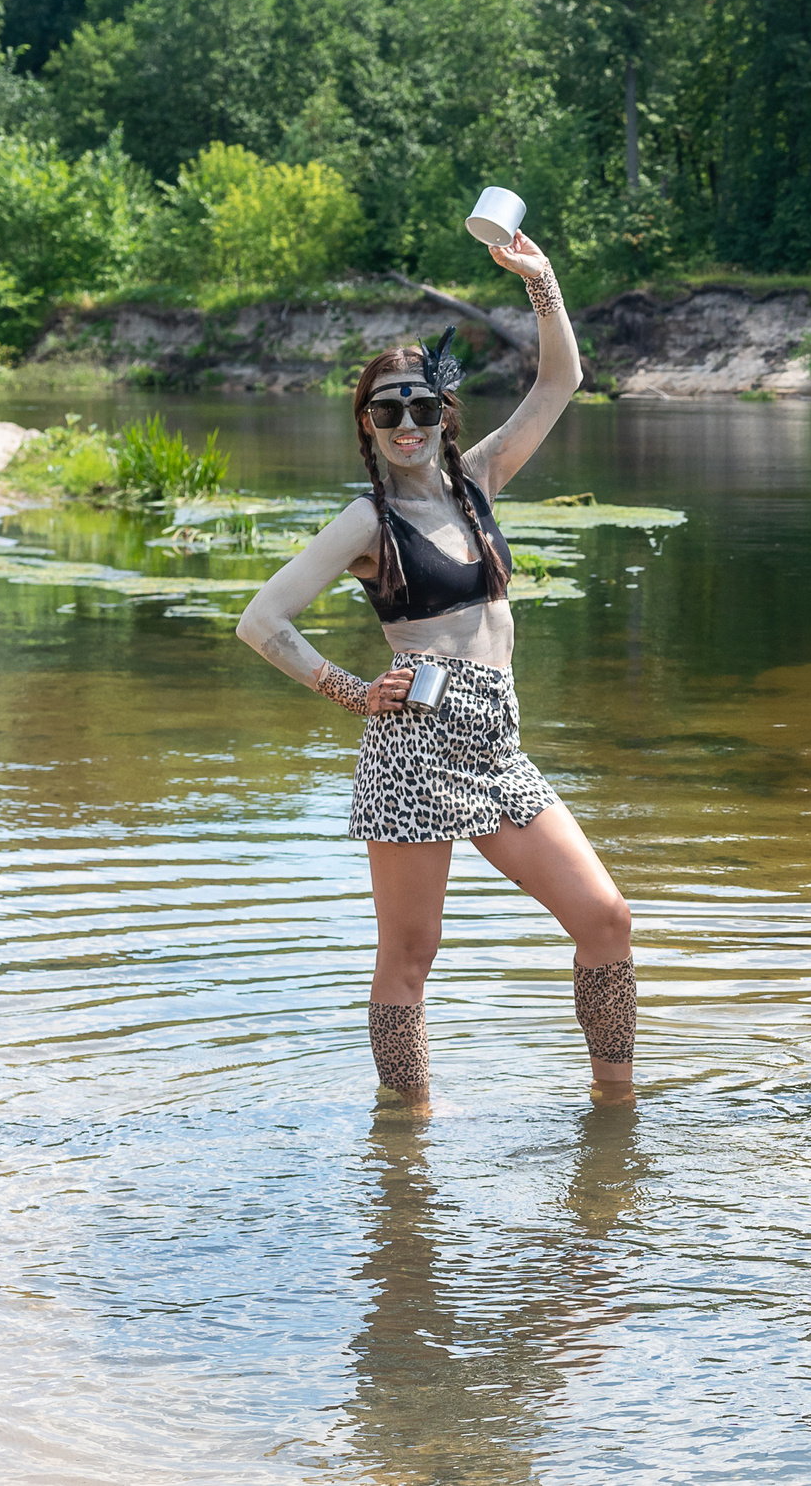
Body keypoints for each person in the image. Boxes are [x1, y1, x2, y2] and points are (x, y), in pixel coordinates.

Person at [237, 231, 635, 1103]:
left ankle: (616, 1107)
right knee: (410, 957)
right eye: (389, 412)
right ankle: (405, 1137)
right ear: (367, 425)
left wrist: (544, 285)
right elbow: (260, 619)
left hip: (499, 742)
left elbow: (560, 381)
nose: (408, 425)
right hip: (413, 743)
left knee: (605, 917)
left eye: (422, 408)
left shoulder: (479, 481)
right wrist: (349, 689)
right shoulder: (363, 522)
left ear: (445, 415)